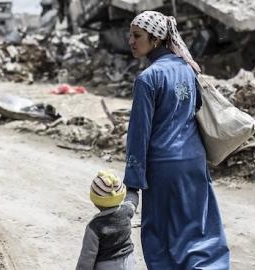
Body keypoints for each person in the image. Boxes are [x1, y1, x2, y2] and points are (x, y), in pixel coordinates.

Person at [124, 11, 230, 269]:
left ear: (156, 39)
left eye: (137, 35)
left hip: (163, 167)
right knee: (198, 230)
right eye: (130, 35)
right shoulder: (188, 68)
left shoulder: (147, 79)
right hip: (194, 161)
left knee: (160, 234)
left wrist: (132, 186)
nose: (130, 41)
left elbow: (139, 134)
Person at [76, 171, 139, 270]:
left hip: (106, 265)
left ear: (95, 201)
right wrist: (133, 190)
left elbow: (87, 257)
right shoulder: (126, 211)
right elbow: (132, 201)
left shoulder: (94, 227)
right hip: (128, 262)